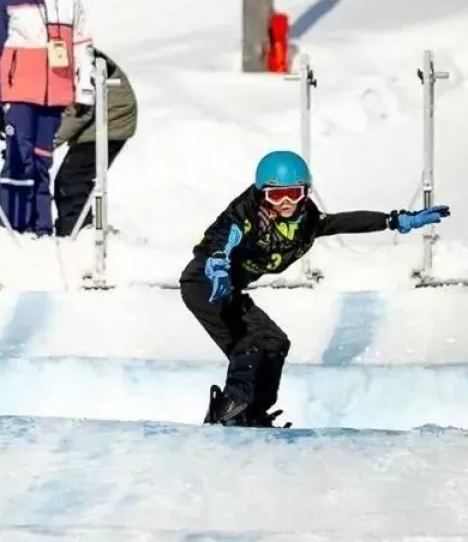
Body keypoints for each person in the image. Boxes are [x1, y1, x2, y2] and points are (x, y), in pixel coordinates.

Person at [185, 150, 450, 428]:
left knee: (274, 342)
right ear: (262, 193)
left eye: (293, 194)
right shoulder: (245, 214)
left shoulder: (307, 220)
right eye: (277, 195)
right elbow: (224, 239)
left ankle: (254, 412)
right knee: (250, 341)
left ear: (306, 192)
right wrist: (217, 264)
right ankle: (226, 414)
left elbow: (340, 222)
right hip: (205, 284)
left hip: (230, 290)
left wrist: (393, 220)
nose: (286, 203)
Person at [0, 0, 96, 237]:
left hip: (55, 94)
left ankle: (42, 228)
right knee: (18, 160)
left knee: (43, 161)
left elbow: (82, 44)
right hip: (17, 94)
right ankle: (13, 228)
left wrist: (84, 90)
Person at [51, 48, 138, 236]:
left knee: (72, 179)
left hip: (111, 120)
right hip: (100, 117)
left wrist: (48, 143)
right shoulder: (63, 51)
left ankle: (76, 234)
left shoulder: (78, 59)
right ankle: (74, 230)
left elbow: (80, 112)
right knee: (70, 179)